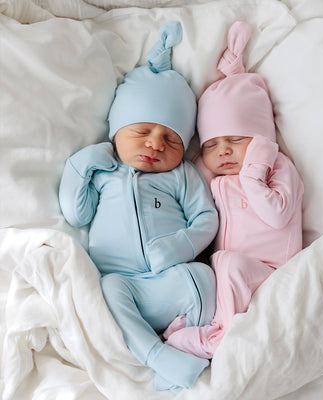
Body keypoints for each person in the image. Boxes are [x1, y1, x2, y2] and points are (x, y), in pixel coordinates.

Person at [59, 21, 219, 392]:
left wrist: (180, 246)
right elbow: (76, 213)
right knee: (110, 288)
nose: (156, 144)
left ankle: (186, 342)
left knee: (205, 278)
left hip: (172, 283)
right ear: (117, 131)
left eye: (171, 138)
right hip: (129, 289)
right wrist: (81, 165)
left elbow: (206, 218)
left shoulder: (182, 175)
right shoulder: (104, 171)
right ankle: (157, 355)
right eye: (143, 131)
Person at [164, 21, 304, 360]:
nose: (224, 151)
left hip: (270, 272)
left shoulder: (278, 168)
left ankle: (219, 339)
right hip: (230, 279)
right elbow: (188, 191)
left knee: (226, 263)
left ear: (260, 139)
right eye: (213, 144)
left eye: (236, 140)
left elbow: (277, 212)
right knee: (204, 272)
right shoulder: (217, 179)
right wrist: (200, 164)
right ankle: (194, 322)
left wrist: (255, 173)